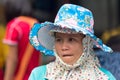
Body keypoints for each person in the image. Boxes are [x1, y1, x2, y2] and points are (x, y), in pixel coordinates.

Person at [29, 4, 116, 80]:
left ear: (86, 44)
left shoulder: (105, 77)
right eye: (59, 40)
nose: (64, 47)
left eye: (71, 40)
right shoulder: (39, 75)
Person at [3, 16, 42, 80]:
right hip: (34, 77)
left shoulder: (14, 26)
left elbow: (12, 59)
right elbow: (39, 57)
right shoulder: (37, 25)